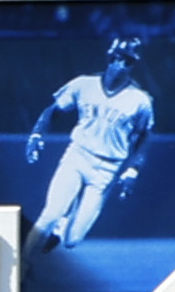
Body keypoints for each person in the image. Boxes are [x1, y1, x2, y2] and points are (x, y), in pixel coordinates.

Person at [30, 33, 160, 252]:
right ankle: (22, 265)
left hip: (107, 169)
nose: (121, 65)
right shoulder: (84, 84)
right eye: (118, 58)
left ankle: (63, 227)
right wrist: (36, 134)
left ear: (132, 66)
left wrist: (133, 170)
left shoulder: (140, 100)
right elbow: (54, 109)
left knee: (73, 240)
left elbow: (145, 135)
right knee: (50, 213)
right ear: (110, 57)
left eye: (128, 61)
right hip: (78, 155)